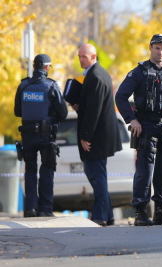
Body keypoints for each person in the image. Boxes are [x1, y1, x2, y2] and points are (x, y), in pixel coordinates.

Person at [116, 34, 162, 226]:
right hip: (146, 126)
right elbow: (121, 96)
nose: (161, 52)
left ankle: (160, 211)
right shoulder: (139, 72)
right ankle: (140, 212)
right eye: (157, 48)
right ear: (151, 48)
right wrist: (132, 120)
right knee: (145, 170)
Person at [72, 44, 122, 226]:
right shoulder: (98, 74)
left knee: (95, 174)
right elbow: (92, 106)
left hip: (97, 137)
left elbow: (94, 111)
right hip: (100, 135)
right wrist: (79, 107)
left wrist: (86, 136)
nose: (81, 59)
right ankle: (107, 215)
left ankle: (100, 215)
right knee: (97, 173)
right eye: (79, 56)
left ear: (93, 56)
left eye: (84, 56)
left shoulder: (95, 76)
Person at [14, 54, 68, 218]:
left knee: (30, 169)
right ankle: (45, 208)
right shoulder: (51, 86)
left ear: (35, 66)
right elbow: (63, 113)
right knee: (47, 169)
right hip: (46, 135)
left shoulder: (23, 85)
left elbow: (17, 112)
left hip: (28, 134)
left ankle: (30, 208)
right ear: (46, 67)